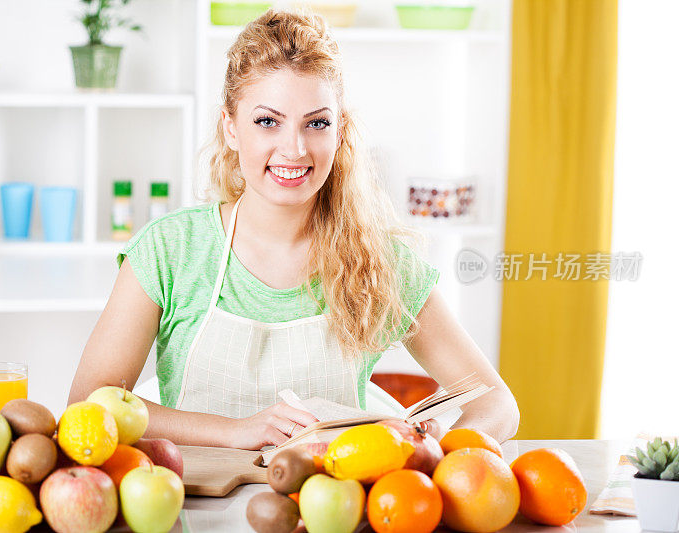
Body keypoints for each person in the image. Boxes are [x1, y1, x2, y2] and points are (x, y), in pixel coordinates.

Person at [68, 9, 519, 450]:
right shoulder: (170, 251)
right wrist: (233, 430)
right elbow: (91, 403)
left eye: (316, 123)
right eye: (268, 121)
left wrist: (438, 446)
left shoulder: (380, 262)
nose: (295, 149)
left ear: (339, 131)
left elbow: (497, 402)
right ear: (230, 127)